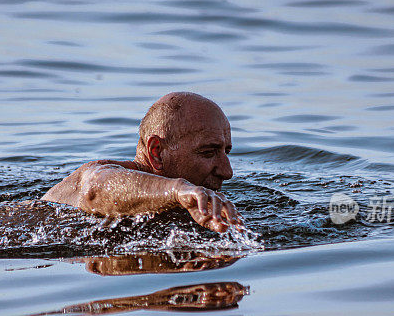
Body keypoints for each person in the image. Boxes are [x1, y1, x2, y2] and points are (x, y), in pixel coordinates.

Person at [41, 92, 243, 233]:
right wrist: (177, 191)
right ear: (156, 153)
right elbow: (95, 188)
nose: (227, 172)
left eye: (226, 152)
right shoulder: (100, 174)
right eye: (208, 152)